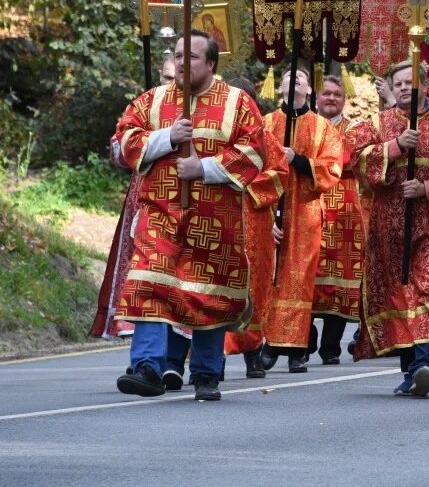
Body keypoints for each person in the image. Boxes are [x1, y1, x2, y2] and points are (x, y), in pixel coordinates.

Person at [110, 31, 268, 401]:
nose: (182, 63)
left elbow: (256, 152)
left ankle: (206, 374)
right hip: (161, 214)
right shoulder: (153, 100)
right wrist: (165, 137)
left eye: (192, 57)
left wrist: (204, 168)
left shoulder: (237, 102)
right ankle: (146, 366)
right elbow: (122, 140)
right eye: (178, 55)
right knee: (149, 283)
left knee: (207, 295)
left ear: (211, 63)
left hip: (216, 221)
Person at [347, 60, 429, 397]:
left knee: (428, 290)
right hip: (390, 229)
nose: (405, 87)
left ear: (424, 84)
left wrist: (427, 189)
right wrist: (393, 149)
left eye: (411, 81)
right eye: (399, 83)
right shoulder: (379, 124)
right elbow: (355, 160)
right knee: (400, 295)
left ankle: (426, 365)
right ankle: (410, 371)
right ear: (392, 88)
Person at [254, 69, 343, 373]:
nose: (294, 82)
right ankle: (267, 342)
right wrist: (266, 217)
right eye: (289, 77)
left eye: (301, 78)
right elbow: (252, 169)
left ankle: (294, 349)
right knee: (271, 279)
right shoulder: (265, 123)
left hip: (306, 212)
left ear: (309, 89)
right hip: (269, 212)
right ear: (279, 86)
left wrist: (298, 160)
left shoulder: (321, 127)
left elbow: (332, 169)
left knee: (299, 280)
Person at [94, 57, 177, 343]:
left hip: (192, 207)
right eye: (167, 77)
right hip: (146, 203)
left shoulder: (208, 107)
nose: (173, 83)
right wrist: (154, 139)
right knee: (144, 273)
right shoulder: (146, 105)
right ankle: (146, 354)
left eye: (178, 76)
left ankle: (179, 356)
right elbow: (119, 151)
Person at [311, 75, 369, 366]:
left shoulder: (355, 130)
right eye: (326, 94)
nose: (331, 98)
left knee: (340, 280)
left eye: (337, 94)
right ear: (317, 98)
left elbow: (351, 159)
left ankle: (330, 346)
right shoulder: (305, 126)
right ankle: (303, 337)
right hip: (309, 208)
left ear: (344, 100)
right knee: (305, 274)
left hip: (345, 214)